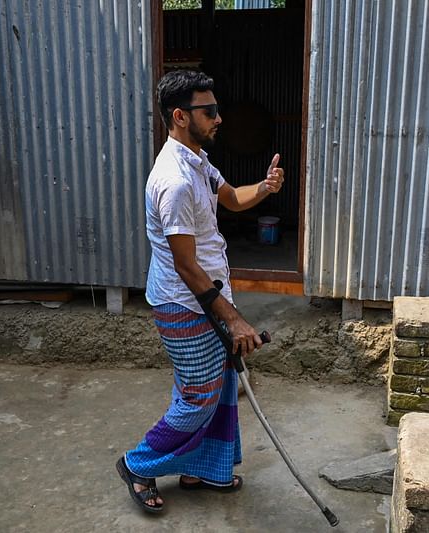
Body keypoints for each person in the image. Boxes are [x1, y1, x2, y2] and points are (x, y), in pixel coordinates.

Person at [116, 69, 284, 514]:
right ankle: (137, 464)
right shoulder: (173, 180)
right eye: (208, 111)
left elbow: (231, 199)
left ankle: (200, 470)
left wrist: (265, 188)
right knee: (199, 395)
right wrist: (233, 318)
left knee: (220, 385)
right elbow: (185, 266)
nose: (219, 118)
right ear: (180, 116)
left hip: (207, 298)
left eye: (216, 109)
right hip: (185, 304)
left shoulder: (197, 162)